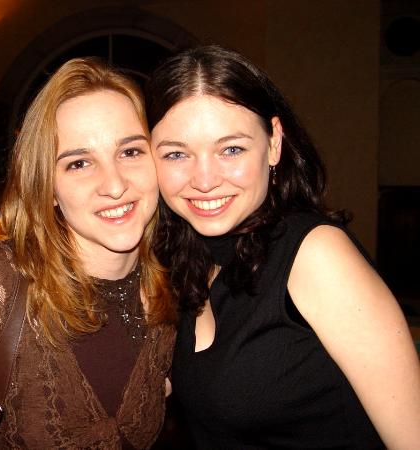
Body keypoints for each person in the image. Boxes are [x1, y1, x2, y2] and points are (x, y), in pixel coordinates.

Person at [146, 45, 420, 449]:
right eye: (176, 154)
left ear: (274, 142)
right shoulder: (189, 263)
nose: (204, 180)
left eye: (231, 149)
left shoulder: (316, 256)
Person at [0, 57, 176, 449]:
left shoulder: (178, 286)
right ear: (48, 188)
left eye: (130, 152)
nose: (114, 185)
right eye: (79, 163)